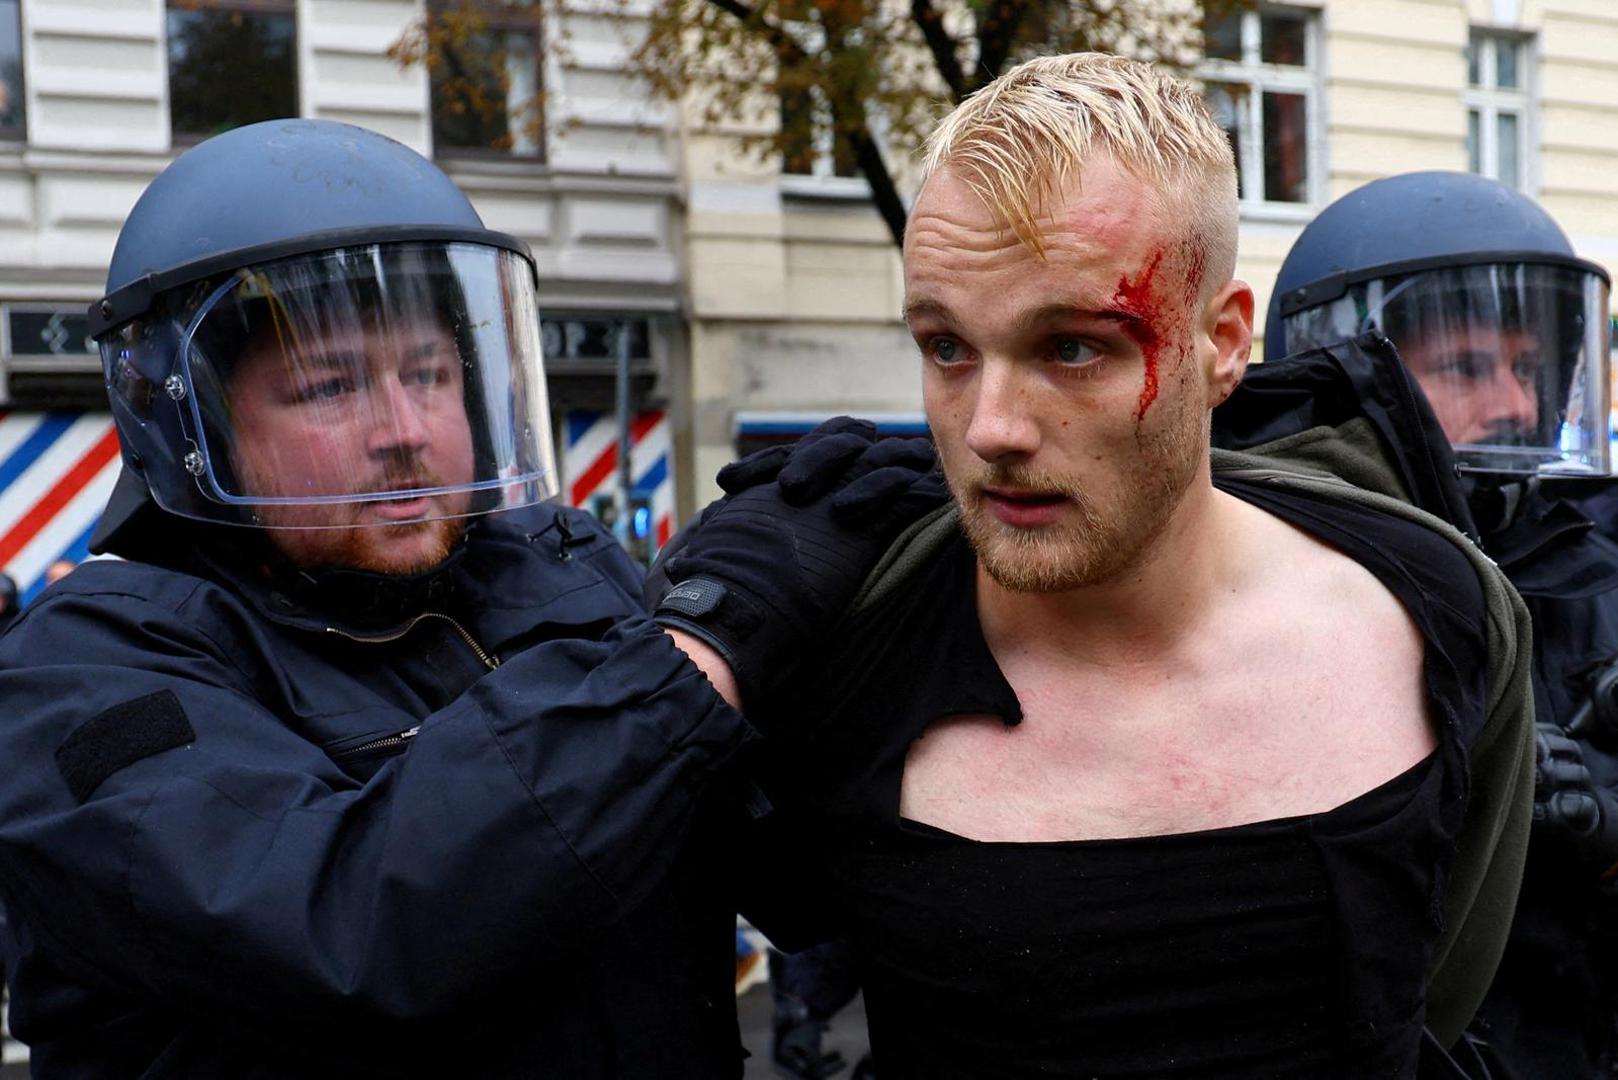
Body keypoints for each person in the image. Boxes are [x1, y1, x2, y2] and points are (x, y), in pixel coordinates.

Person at [0, 119, 940, 1079]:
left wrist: (884, 616)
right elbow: (350, 932)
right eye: (330, 386)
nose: (404, 430)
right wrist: (701, 642)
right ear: (192, 423)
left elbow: (801, 878)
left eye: (430, 374)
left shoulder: (556, 567)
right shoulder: (81, 676)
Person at [654, 54, 1534, 1078]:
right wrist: (691, 641)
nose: (991, 429)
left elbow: (1441, 980)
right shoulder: (846, 651)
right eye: (946, 348)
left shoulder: (1433, 613)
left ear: (1221, 343)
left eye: (1071, 348)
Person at [1265, 170, 1618, 1077]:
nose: (1513, 401)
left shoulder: (1599, 558)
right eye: (1466, 367)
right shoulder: (1276, 575)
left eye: (1529, 367)